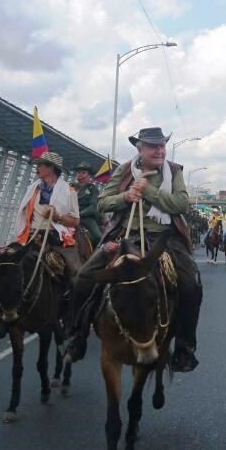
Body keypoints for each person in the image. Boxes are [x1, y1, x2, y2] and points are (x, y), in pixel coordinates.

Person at [67, 127, 203, 372]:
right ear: (140, 149)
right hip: (126, 236)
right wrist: (126, 197)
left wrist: (148, 192)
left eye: (162, 146)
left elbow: (181, 203)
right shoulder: (124, 170)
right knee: (83, 278)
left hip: (164, 238)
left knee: (190, 284)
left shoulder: (173, 171)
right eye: (153, 146)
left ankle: (184, 345)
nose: (160, 150)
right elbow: (103, 202)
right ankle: (76, 335)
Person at [12, 151, 82, 274]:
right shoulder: (33, 189)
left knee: (74, 272)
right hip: (32, 237)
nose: (37, 168)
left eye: (40, 165)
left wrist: (57, 216)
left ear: (51, 168)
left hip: (56, 239)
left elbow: (75, 222)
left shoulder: (70, 192)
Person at [71, 161, 102, 246]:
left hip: (86, 218)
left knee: (99, 237)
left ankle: (100, 255)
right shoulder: (70, 186)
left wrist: (78, 214)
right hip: (69, 216)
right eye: (78, 172)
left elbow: (93, 207)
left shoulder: (93, 189)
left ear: (89, 176)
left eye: (83, 173)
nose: (80, 175)